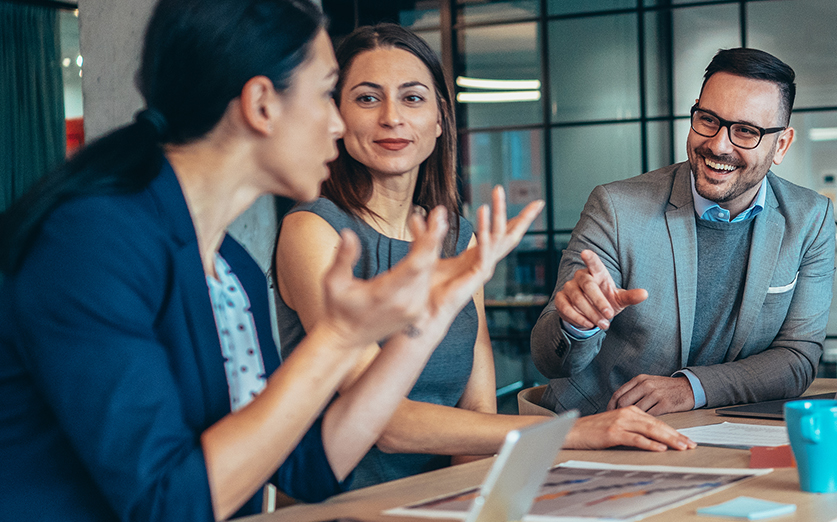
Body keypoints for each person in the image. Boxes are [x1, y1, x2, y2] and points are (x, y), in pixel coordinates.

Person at [0, 0, 538, 520]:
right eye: (331, 94)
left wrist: (431, 313)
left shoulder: (228, 264)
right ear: (261, 105)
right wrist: (336, 339)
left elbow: (306, 464)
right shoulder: (94, 242)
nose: (339, 123)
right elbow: (165, 503)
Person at [273, 24, 692, 489]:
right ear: (337, 116)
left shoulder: (457, 238)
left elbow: (477, 409)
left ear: (439, 119)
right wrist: (572, 432)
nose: (391, 117)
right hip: (340, 502)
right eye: (367, 98)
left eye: (412, 98)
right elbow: (381, 421)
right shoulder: (313, 230)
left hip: (442, 499)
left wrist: (470, 502)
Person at [528, 48, 835, 416]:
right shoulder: (616, 207)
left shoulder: (809, 218)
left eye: (745, 131)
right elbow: (550, 360)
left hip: (715, 432)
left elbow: (797, 358)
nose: (719, 145)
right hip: (598, 430)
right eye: (708, 120)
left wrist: (691, 389)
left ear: (780, 144)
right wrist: (576, 326)